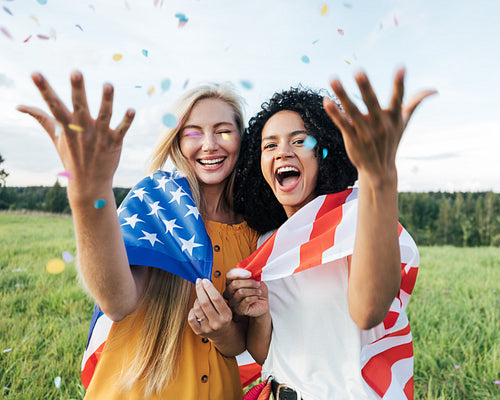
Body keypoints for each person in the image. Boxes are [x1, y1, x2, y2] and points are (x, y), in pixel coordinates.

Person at [17, 72, 259, 399]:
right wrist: (90, 192)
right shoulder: (155, 201)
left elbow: (241, 343)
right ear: (177, 141)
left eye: (223, 131)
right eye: (194, 132)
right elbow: (117, 302)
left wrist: (222, 331)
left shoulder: (253, 229)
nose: (209, 144)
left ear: (242, 140)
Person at [225, 68, 436, 399]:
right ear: (259, 163)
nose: (283, 151)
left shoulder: (357, 220)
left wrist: (378, 178)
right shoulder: (267, 244)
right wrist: (261, 314)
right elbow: (269, 355)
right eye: (270, 145)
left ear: (323, 152)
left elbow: (369, 312)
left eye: (299, 140)